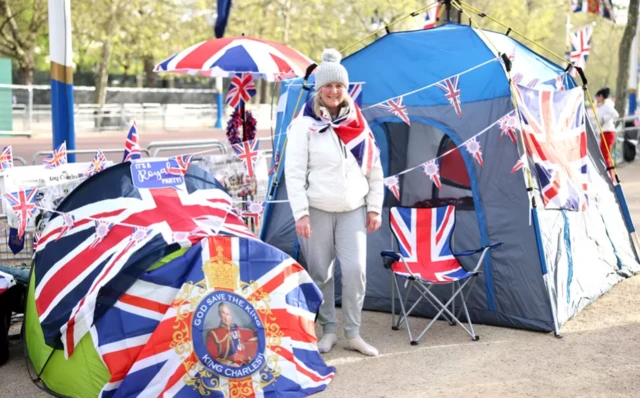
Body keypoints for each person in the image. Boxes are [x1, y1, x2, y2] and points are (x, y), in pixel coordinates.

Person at [285, 48, 384, 357]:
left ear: (345, 88)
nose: (333, 91)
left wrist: (374, 206)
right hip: (316, 211)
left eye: (339, 85)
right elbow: (294, 171)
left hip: (353, 209)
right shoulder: (305, 125)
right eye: (328, 85)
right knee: (320, 273)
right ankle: (328, 330)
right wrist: (300, 213)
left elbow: (375, 167)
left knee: (355, 271)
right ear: (319, 88)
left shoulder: (358, 122)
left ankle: (353, 333)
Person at [595, 87, 619, 175]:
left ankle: (610, 175)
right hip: (604, 132)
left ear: (601, 96)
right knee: (604, 154)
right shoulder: (602, 106)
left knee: (605, 155)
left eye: (597, 96)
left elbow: (615, 114)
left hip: (608, 132)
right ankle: (608, 174)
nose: (596, 98)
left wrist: (604, 119)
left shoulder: (607, 105)